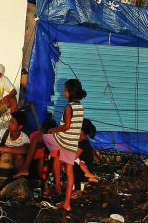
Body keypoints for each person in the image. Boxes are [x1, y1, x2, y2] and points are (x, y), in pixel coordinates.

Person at [47, 78, 85, 211]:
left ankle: (45, 181)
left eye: (65, 90)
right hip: (72, 143)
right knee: (70, 172)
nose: (63, 92)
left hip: (63, 140)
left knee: (39, 139)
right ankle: (67, 203)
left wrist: (54, 129)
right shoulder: (80, 107)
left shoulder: (69, 107)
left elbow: (66, 126)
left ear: (71, 92)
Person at [0, 111, 30, 189]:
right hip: (0, 161)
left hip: (14, 165)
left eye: (12, 122)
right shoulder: (3, 132)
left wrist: (2, 148)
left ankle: (18, 180)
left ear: (19, 127)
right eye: (10, 121)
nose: (9, 124)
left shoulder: (24, 138)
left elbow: (24, 150)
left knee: (19, 156)